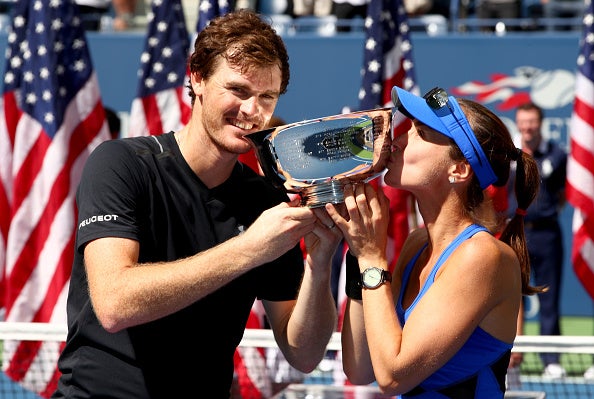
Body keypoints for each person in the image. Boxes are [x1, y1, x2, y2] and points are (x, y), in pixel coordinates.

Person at [52, 10, 339, 399]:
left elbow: (303, 354)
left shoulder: (264, 199)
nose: (253, 111)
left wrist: (319, 265)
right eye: (238, 90)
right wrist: (250, 248)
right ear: (197, 79)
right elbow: (114, 303)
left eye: (266, 97)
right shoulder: (121, 164)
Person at [328, 86, 543, 397]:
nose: (397, 140)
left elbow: (391, 377)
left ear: (459, 170)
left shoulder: (483, 256)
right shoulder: (417, 245)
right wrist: (360, 254)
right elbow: (360, 369)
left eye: (421, 132)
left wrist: (373, 258)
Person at [508, 101, 567, 379]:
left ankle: (551, 359)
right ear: (518, 123)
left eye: (532, 121)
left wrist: (543, 212)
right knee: (510, 295)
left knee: (549, 296)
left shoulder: (557, 154)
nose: (527, 126)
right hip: (515, 231)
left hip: (546, 233)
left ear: (540, 123)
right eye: (523, 121)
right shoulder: (509, 155)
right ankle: (511, 358)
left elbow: (565, 195)